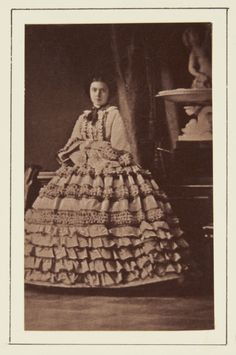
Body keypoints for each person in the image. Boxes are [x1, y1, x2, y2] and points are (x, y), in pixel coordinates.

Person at [24, 74, 190, 288]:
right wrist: (82, 150)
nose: (98, 94)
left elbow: (119, 147)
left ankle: (113, 272)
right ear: (89, 92)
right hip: (82, 166)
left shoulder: (113, 115)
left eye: (102, 90)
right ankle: (77, 272)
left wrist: (96, 149)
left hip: (106, 167)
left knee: (108, 214)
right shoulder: (83, 117)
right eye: (94, 90)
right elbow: (72, 143)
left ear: (109, 93)